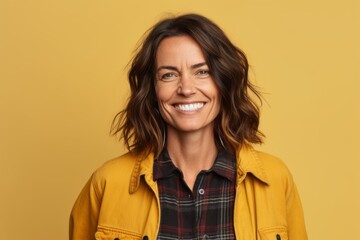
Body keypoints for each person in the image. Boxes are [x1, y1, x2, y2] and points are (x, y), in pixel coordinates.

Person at [69, 13, 307, 240]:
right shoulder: (108, 183)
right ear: (152, 90)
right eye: (169, 75)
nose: (186, 89)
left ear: (223, 82)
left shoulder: (275, 179)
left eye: (202, 72)